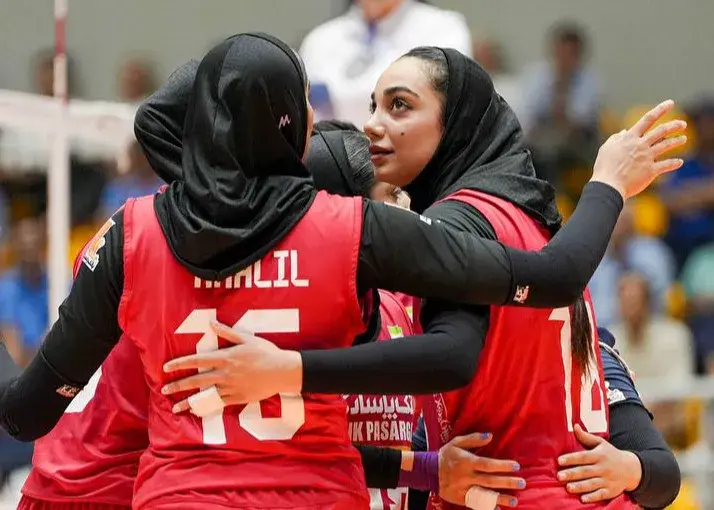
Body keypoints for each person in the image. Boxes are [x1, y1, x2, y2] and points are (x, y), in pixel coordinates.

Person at [0, 35, 681, 508]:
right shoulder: (350, 229)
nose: (372, 128)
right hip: (320, 494)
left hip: (159, 492)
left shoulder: (133, 232)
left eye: (398, 106)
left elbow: (26, 412)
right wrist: (606, 184)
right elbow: (547, 284)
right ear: (293, 128)